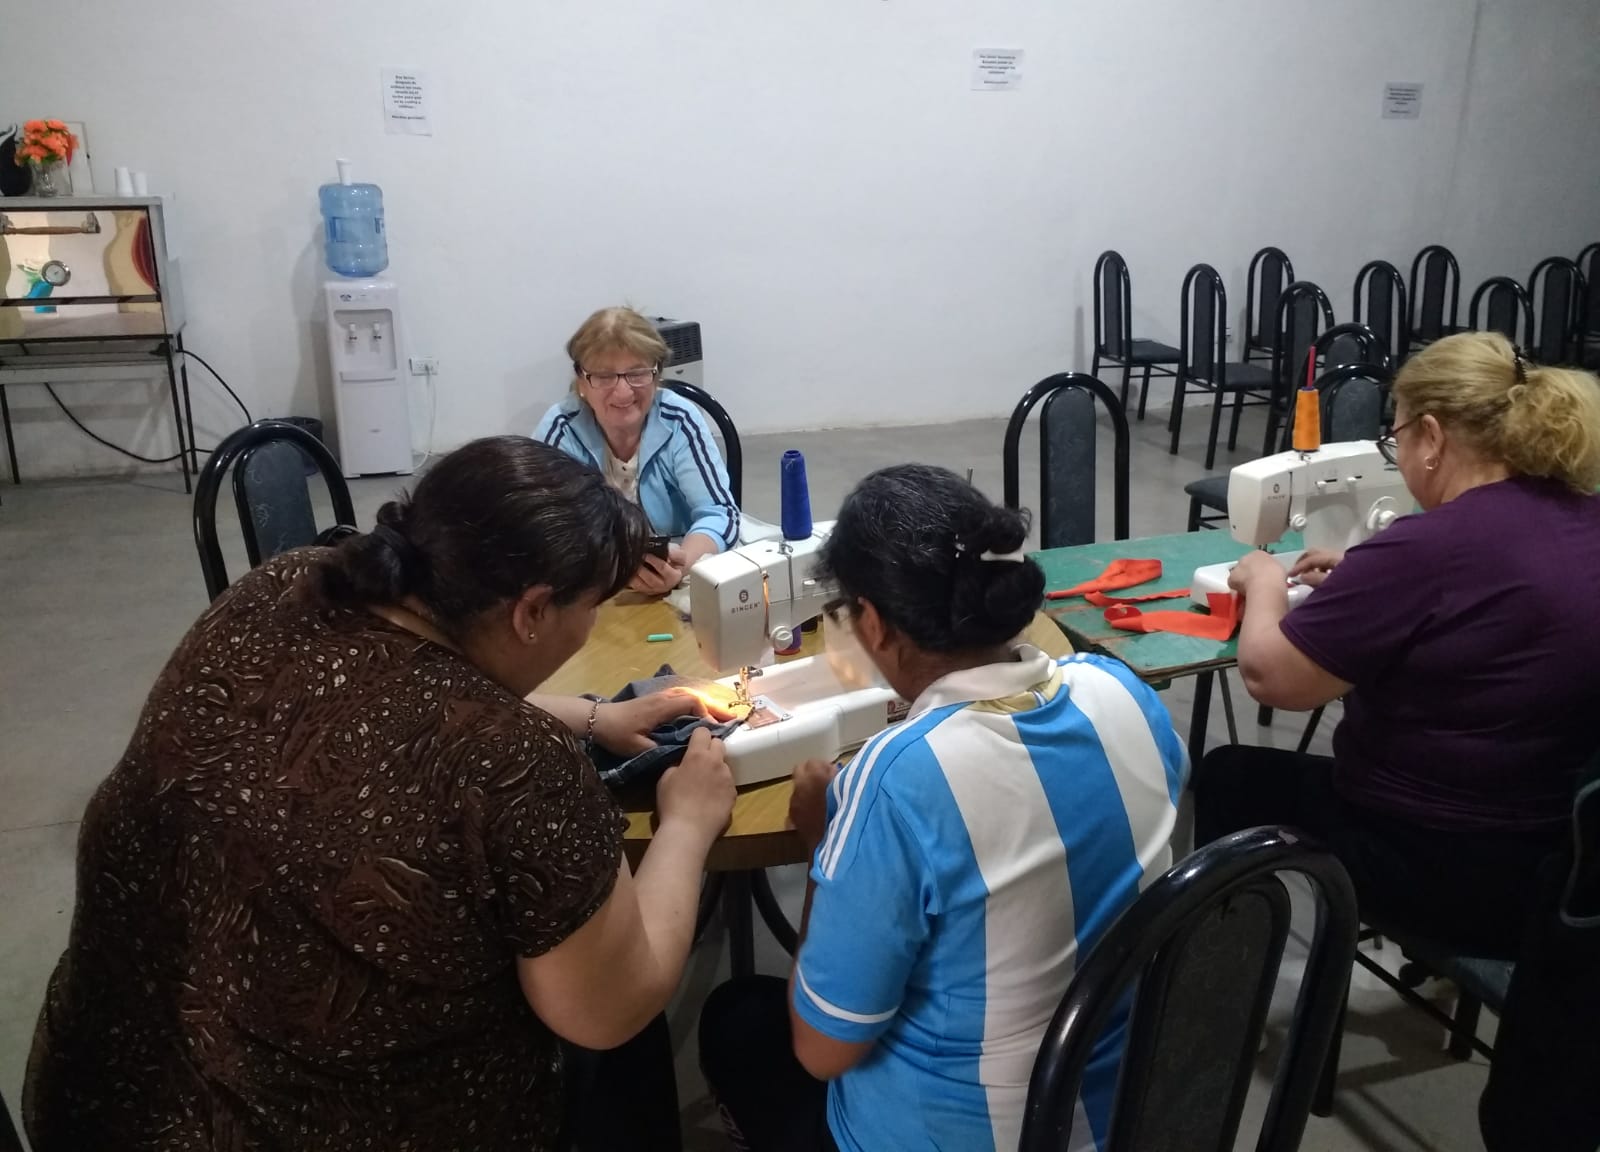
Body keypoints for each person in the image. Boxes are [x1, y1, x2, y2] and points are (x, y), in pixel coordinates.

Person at [24, 437, 736, 1152]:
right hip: (308, 1127)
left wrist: (591, 714)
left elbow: (384, 698)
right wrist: (687, 823)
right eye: (592, 605)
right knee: (616, 1024)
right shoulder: (519, 766)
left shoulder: (285, 587)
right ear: (532, 612)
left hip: (100, 1095)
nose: (590, 626)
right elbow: (607, 1009)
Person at [697, 465, 1188, 1152]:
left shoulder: (896, 782)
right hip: (1131, 1110)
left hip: (973, 1136)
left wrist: (825, 846)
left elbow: (821, 1051)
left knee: (738, 1020)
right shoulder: (1121, 691)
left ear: (873, 622)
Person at [1197, 331, 1600, 961]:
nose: (1399, 454)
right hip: (1564, 859)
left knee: (1228, 776)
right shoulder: (1584, 518)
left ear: (1432, 437)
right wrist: (1368, 575)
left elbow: (1273, 679)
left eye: (1397, 438)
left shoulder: (1429, 546)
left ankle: (1214, 991)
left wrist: (1266, 581)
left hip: (1445, 866)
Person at [536, 306, 739, 595]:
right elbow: (544, 529)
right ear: (582, 382)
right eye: (604, 376)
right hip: (593, 584)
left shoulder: (679, 420)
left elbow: (720, 513)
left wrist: (681, 567)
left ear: (656, 377)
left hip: (678, 578)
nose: (623, 392)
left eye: (637, 373)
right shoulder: (560, 429)